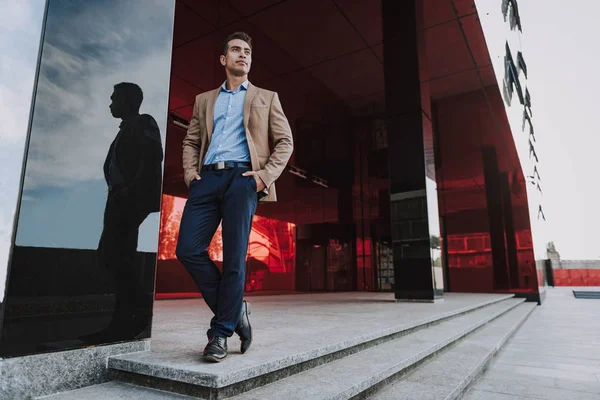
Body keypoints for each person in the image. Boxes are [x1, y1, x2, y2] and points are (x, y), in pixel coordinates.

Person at [176, 32, 293, 362]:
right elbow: (191, 141)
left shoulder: (267, 97)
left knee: (234, 259)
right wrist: (190, 174)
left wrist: (262, 178)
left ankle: (220, 333)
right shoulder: (204, 100)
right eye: (236, 51)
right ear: (224, 60)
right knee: (186, 249)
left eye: (247, 52)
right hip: (208, 178)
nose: (243, 55)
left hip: (243, 180)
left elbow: (285, 142)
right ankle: (236, 309)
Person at [84, 82, 163, 343]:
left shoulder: (144, 122)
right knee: (112, 254)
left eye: (113, 98)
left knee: (116, 254)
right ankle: (126, 319)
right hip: (118, 199)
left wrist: (130, 190)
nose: (110, 103)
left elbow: (153, 156)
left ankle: (134, 315)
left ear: (127, 100)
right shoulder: (124, 130)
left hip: (130, 199)